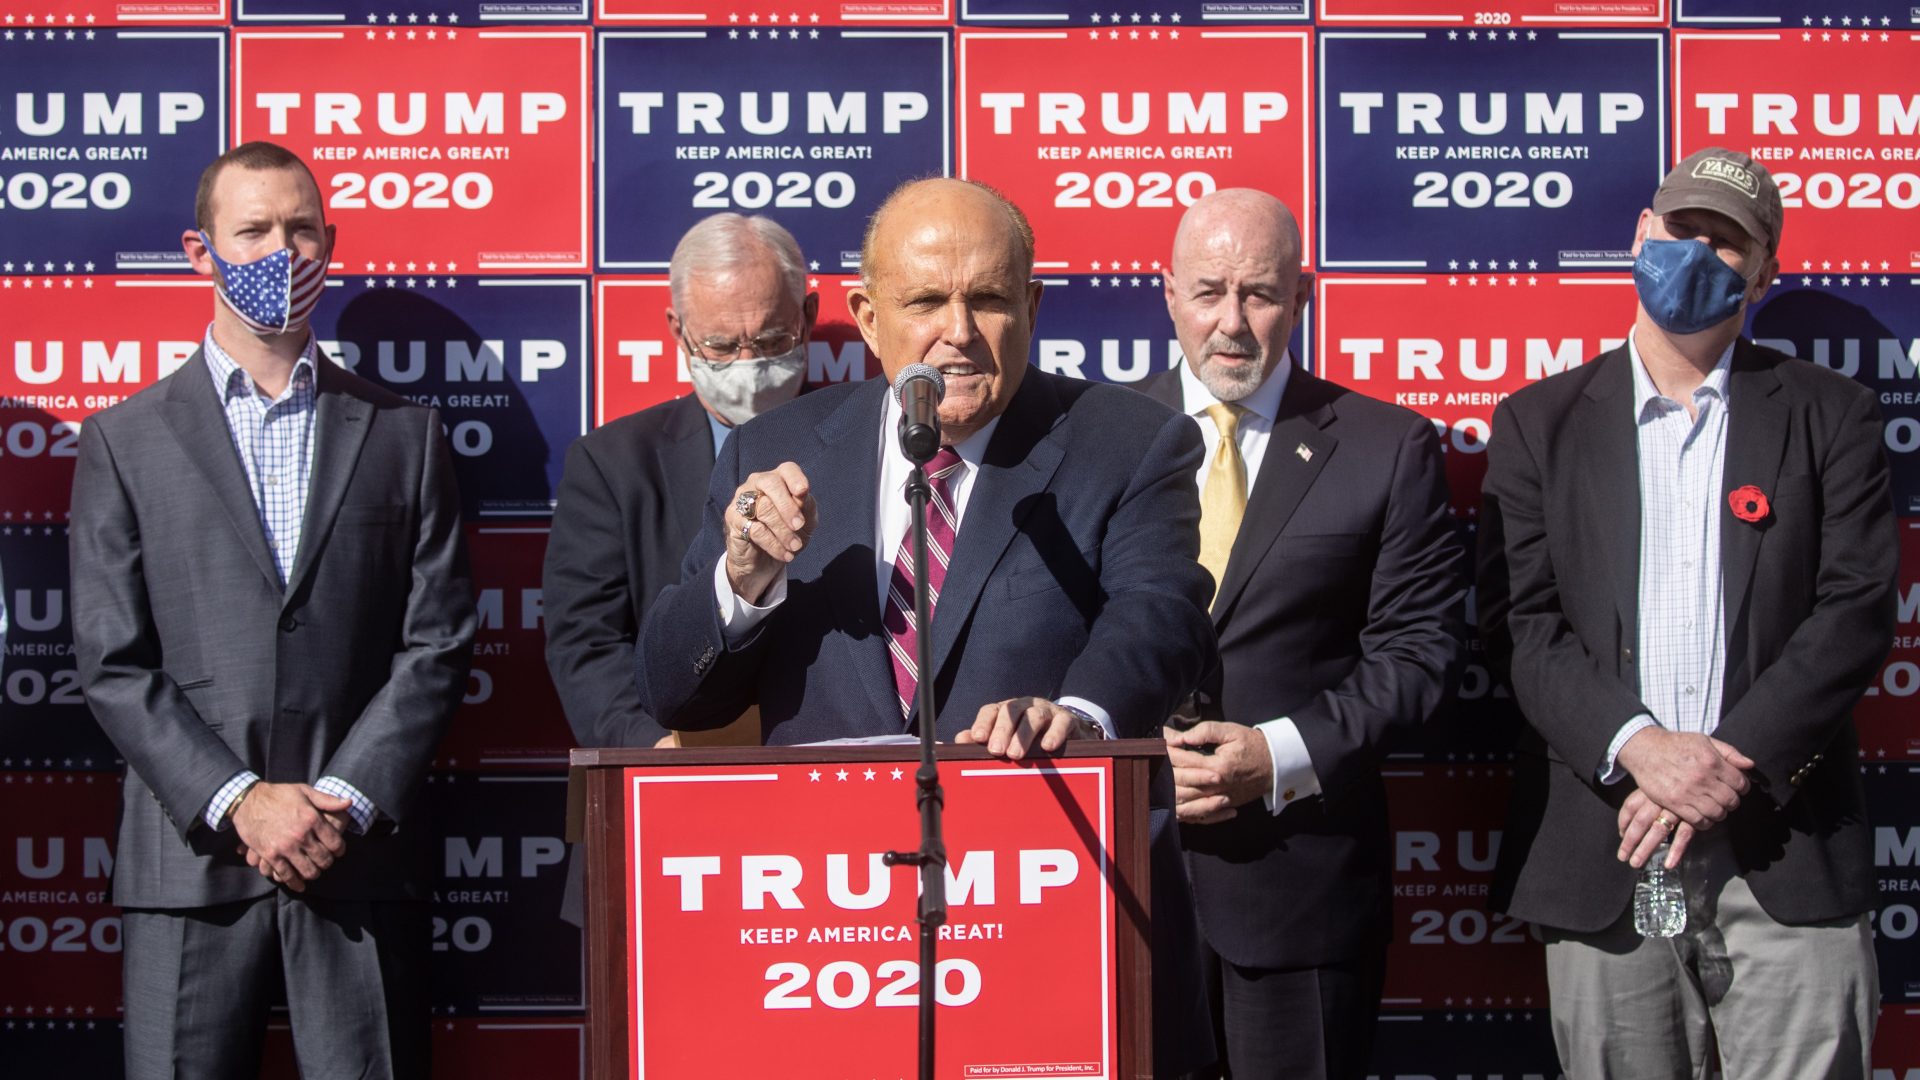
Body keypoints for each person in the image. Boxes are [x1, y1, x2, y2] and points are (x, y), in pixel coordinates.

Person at [631, 178, 1219, 1074]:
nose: (959, 330)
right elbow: (676, 690)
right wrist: (741, 580)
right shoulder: (771, 450)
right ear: (867, 317)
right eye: (926, 301)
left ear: (1033, 305)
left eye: (988, 298)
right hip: (834, 951)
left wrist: (1085, 722)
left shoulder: (1129, 440)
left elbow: (1162, 615)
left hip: (1054, 933)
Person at [1478, 147, 1896, 1078]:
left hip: (1786, 850)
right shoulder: (1538, 424)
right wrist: (1639, 746)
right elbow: (1522, 624)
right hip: (1605, 847)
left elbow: (1857, 609)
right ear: (1641, 236)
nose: (1698, 255)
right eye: (1682, 231)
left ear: (1764, 271)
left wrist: (1724, 763)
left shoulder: (1834, 415)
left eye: (1728, 241)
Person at [69, 141, 476, 1080]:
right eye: (251, 231)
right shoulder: (124, 443)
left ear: (330, 243)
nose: (279, 253)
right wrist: (240, 801)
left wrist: (337, 802)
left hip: (357, 860)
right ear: (198, 251)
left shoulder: (404, 436)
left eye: (300, 231)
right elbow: (113, 662)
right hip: (190, 869)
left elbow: (439, 642)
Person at [1141, 189, 1468, 1079]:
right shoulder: (1099, 438)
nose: (1233, 323)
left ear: (1303, 298)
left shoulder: (1385, 447)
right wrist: (1132, 759)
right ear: (1168, 295)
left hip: (1302, 894)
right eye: (1209, 292)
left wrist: (1274, 755)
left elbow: (1420, 657)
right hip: (1124, 892)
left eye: (1261, 294)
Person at [543, 212, 817, 752]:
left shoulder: (869, 439)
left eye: (769, 339)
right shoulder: (612, 465)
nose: (748, 365)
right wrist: (650, 750)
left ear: (807, 315)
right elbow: (587, 642)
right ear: (678, 331)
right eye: (719, 345)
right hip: (665, 773)